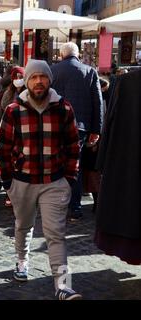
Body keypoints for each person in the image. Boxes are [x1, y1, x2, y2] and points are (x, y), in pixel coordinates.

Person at [0, 59, 81, 300]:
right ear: (27, 81)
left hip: (54, 182)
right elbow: (2, 148)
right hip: (22, 182)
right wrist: (7, 183)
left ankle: (63, 285)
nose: (39, 81)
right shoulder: (13, 110)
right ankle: (22, 262)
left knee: (56, 233)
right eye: (34, 77)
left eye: (43, 77)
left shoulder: (64, 108)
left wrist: (69, 178)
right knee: (23, 226)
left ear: (49, 80)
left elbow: (74, 145)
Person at [51, 42, 104, 221]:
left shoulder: (53, 70)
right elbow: (97, 103)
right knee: (75, 167)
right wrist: (96, 130)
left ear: (61, 54)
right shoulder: (89, 72)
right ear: (78, 54)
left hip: (54, 125)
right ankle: (75, 207)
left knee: (56, 165)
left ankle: (56, 205)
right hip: (79, 127)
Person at [94, 69, 141, 265]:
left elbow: (110, 123)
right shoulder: (126, 81)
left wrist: (102, 162)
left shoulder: (126, 81)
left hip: (129, 160)